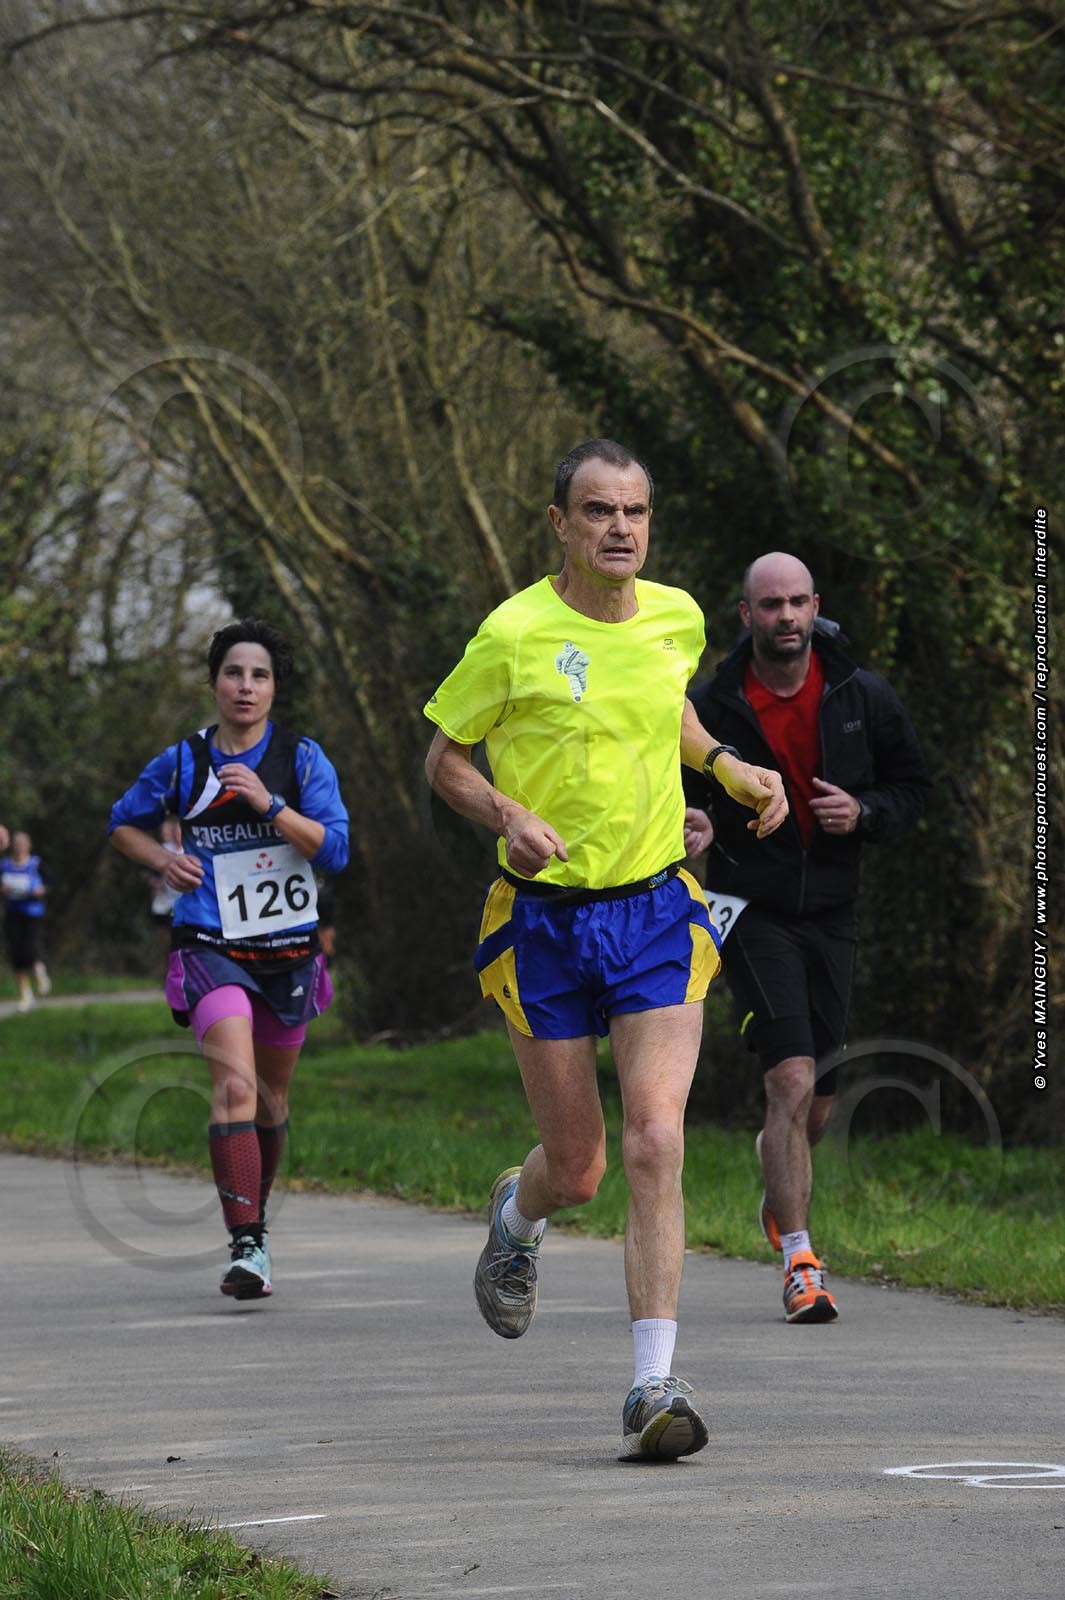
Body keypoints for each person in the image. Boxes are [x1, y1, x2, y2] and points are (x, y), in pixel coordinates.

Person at [424, 439, 787, 1461]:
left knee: (656, 1139)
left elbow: (665, 710)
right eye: (597, 511)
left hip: (655, 910)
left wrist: (727, 764)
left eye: (633, 511)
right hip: (541, 921)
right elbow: (444, 756)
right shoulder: (513, 633)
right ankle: (518, 1213)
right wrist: (507, 811)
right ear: (560, 524)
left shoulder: (677, 617)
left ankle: (652, 1386)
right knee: (580, 1169)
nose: (619, 528)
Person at [685, 553, 931, 1324]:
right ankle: (800, 1262)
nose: (785, 617)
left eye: (796, 602)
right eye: (770, 605)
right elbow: (677, 795)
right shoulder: (712, 705)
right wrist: (694, 826)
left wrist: (864, 812)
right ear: (745, 615)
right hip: (750, 908)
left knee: (817, 1102)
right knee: (788, 1078)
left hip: (832, 911)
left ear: (814, 606)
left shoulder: (861, 694)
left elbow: (912, 788)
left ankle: (777, 1167)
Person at [109, 619, 349, 1301]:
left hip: (288, 952)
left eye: (259, 675)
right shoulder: (183, 762)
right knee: (235, 1087)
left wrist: (270, 806)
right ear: (214, 682)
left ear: (274, 688)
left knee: (270, 1100)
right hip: (210, 943)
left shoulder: (303, 760)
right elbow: (121, 823)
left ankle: (256, 1220)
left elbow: (334, 851)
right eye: (233, 673)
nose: (245, 686)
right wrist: (163, 859)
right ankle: (245, 1244)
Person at [1, 830, 52, 1012]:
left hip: (32, 913)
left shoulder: (36, 864)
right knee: (16, 953)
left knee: (29, 949)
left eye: (22, 844)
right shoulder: (4, 865)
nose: (18, 847)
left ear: (29, 846)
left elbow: (50, 882)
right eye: (16, 844)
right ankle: (25, 994)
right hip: (12, 912)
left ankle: (39, 971)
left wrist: (41, 890)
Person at [148, 817, 184, 968]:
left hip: (183, 903)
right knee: (164, 937)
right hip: (164, 901)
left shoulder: (191, 850)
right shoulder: (164, 850)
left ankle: (178, 966)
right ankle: (167, 966)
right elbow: (151, 874)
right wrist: (158, 883)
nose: (178, 834)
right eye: (176, 831)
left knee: (178, 937)